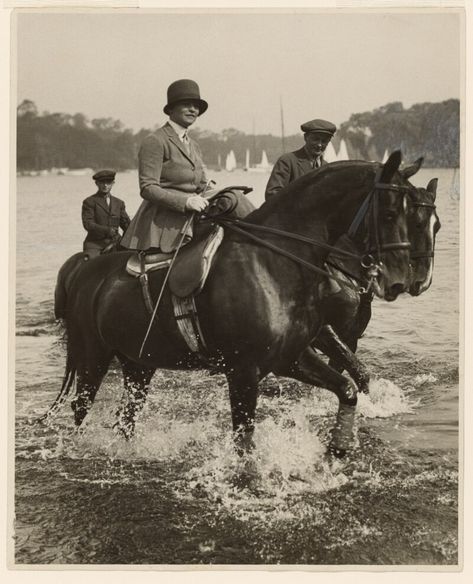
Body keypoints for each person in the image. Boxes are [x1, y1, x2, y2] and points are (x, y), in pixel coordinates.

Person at [121, 79, 211, 253]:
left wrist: (217, 193)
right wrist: (186, 202)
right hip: (162, 226)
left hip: (192, 219)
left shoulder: (194, 145)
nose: (193, 110)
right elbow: (148, 188)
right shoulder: (155, 141)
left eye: (196, 106)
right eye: (186, 104)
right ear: (171, 109)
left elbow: (201, 185)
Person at [265, 118, 336, 200]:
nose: (319, 145)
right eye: (315, 139)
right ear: (306, 138)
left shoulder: (327, 168)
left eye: (324, 141)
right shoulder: (287, 161)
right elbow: (272, 195)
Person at [82, 170, 131, 257]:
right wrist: (107, 230)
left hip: (116, 242)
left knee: (135, 260)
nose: (105, 185)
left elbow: (126, 225)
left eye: (108, 182)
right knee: (91, 265)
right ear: (97, 183)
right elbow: (88, 224)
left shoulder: (119, 203)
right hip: (95, 244)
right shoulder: (89, 202)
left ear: (113, 183)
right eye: (102, 182)